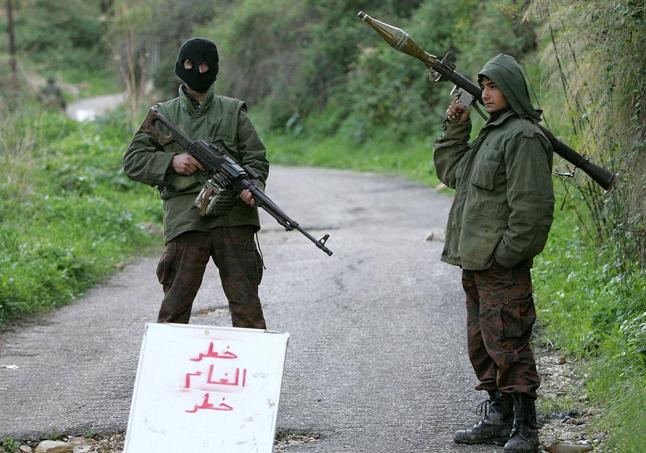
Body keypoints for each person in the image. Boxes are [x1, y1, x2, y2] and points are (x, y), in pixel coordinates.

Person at [433, 54, 554, 453]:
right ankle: (499, 417)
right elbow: (453, 173)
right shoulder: (492, 134)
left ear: (512, 89)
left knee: (509, 340)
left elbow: (532, 209)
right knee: (483, 341)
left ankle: (526, 427)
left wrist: (507, 255)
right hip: (476, 261)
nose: (485, 93)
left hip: (500, 263)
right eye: (482, 86)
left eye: (493, 86)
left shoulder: (522, 137)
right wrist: (456, 126)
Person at [123, 37, 268, 329]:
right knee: (174, 309)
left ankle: (251, 375)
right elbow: (133, 161)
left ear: (213, 69)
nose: (197, 72)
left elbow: (256, 159)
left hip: (233, 218)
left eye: (204, 66)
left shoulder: (233, 111)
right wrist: (172, 162)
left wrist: (253, 188)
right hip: (186, 220)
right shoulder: (163, 115)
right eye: (190, 65)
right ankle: (168, 373)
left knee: (247, 308)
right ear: (180, 67)